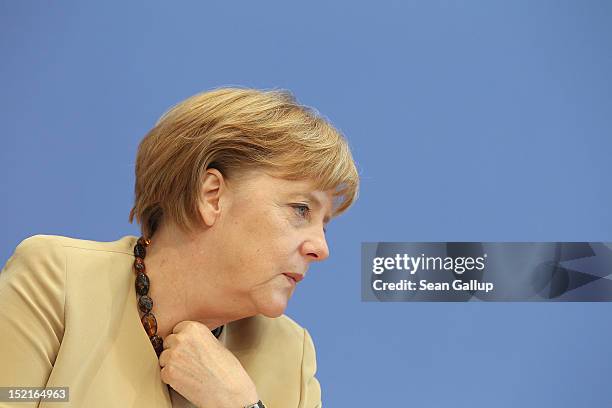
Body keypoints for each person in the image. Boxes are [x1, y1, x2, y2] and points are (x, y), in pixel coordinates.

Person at [0, 88, 359, 408]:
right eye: (301, 209)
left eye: (324, 224)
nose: (321, 248)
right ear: (211, 195)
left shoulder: (290, 354)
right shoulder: (57, 280)